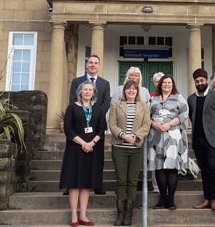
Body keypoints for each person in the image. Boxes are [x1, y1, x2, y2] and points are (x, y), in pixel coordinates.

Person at [59, 81, 105, 227]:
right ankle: (74, 215)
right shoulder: (72, 108)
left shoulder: (98, 109)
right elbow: (68, 129)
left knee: (86, 183)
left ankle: (83, 215)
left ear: (93, 93)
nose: (87, 92)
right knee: (74, 182)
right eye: (84, 89)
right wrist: (83, 143)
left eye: (90, 89)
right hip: (75, 149)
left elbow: (101, 129)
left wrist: (91, 143)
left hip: (92, 149)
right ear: (80, 92)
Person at [108, 80, 151, 226]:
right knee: (121, 181)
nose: (131, 91)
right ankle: (120, 214)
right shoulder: (116, 105)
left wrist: (136, 135)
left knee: (132, 181)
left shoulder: (144, 106)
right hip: (119, 147)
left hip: (136, 149)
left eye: (134, 89)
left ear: (137, 91)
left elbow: (147, 124)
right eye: (128, 89)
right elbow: (112, 124)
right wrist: (123, 135)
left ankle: (129, 215)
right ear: (124, 91)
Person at [67, 55, 111, 195]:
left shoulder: (105, 83)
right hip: (79, 124)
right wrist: (84, 113)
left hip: (97, 126)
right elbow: (73, 100)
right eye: (90, 62)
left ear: (99, 65)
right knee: (75, 158)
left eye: (96, 63)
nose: (93, 65)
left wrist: (95, 114)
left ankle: (97, 184)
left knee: (97, 158)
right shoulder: (77, 81)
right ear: (87, 64)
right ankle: (71, 185)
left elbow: (106, 103)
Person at [187, 68, 215, 211]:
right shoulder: (191, 99)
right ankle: (206, 198)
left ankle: (214, 198)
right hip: (198, 140)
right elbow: (192, 117)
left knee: (213, 168)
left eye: (202, 80)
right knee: (204, 170)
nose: (200, 83)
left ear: (207, 81)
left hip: (213, 140)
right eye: (197, 81)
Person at [147, 75, 189, 210]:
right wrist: (154, 124)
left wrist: (169, 124)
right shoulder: (153, 99)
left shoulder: (178, 98)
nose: (166, 84)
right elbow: (146, 116)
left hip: (173, 136)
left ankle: (170, 200)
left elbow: (184, 114)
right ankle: (162, 200)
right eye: (164, 82)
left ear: (173, 84)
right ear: (160, 84)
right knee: (159, 168)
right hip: (156, 136)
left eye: (169, 82)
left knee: (171, 167)